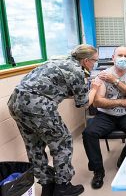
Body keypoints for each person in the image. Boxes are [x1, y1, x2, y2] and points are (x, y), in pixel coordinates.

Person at [7, 44, 102, 196]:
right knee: (62, 142)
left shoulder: (58, 60)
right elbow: (83, 103)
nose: (95, 64)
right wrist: (95, 88)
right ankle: (63, 187)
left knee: (34, 146)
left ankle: (47, 185)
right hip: (37, 107)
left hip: (15, 103)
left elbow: (55, 88)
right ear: (85, 61)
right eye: (95, 61)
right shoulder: (76, 71)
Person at [82, 46, 126, 189]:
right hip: (106, 115)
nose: (123, 58)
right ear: (113, 58)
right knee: (88, 133)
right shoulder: (103, 75)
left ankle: (124, 157)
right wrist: (121, 101)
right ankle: (98, 171)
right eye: (119, 55)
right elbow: (97, 102)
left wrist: (114, 80)